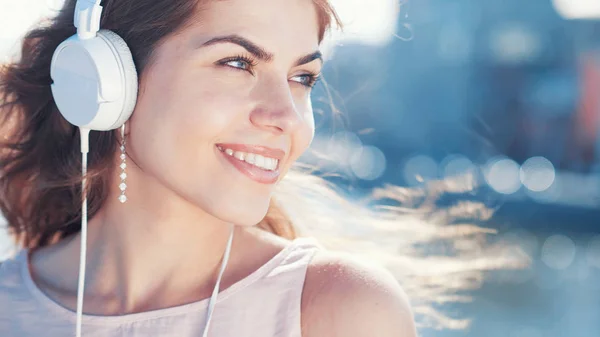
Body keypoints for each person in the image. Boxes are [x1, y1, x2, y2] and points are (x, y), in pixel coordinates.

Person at [0, 0, 419, 336]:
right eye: (237, 63)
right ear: (108, 80)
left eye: (303, 77)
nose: (286, 117)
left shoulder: (345, 312)